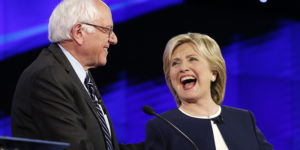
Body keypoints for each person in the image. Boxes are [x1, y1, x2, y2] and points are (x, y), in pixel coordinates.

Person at [11, 0, 143, 150]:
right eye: (107, 30)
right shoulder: (47, 77)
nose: (114, 39)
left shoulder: (76, 74)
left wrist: (163, 140)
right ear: (79, 33)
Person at [144, 33, 274, 150]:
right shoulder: (161, 126)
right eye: (175, 63)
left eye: (192, 59)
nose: (183, 68)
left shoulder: (244, 119)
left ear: (214, 73)